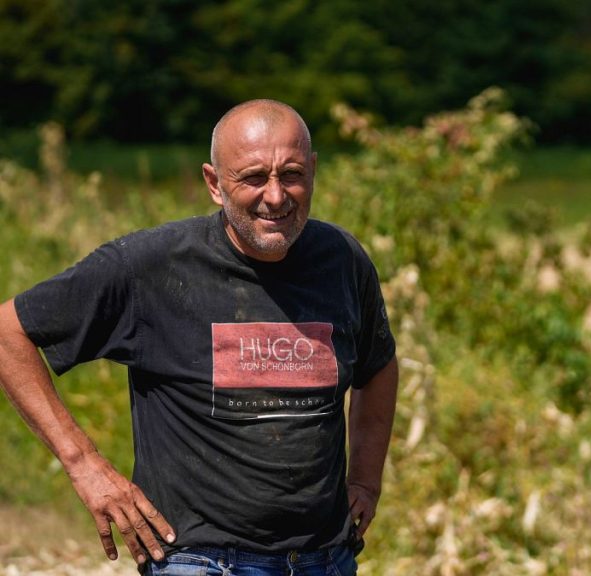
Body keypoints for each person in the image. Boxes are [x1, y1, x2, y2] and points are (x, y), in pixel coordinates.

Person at [0, 99, 398, 575]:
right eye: (253, 178)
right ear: (214, 183)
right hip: (199, 559)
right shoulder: (150, 266)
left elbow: (377, 365)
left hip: (323, 558)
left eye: (291, 174)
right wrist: (85, 466)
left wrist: (367, 480)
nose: (276, 196)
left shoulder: (342, 260)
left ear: (312, 170)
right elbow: (8, 333)